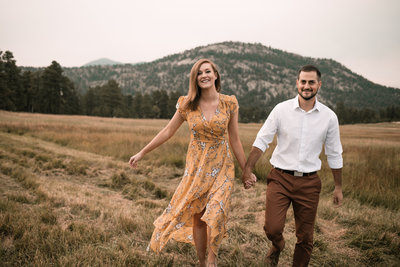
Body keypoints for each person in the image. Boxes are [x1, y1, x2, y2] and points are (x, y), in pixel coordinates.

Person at [129, 58, 256, 267]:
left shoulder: (229, 103)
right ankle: (201, 262)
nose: (204, 75)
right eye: (199, 73)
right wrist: (143, 152)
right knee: (198, 216)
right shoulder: (187, 104)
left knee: (216, 212)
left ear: (215, 75)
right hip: (196, 168)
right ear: (195, 79)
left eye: (207, 71)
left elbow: (234, 139)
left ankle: (212, 261)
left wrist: (246, 171)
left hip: (222, 166)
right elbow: (168, 131)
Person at [241, 65, 343, 267]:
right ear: (297, 83)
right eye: (303, 81)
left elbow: (334, 153)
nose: (307, 86)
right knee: (272, 229)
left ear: (319, 85)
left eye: (311, 82)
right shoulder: (281, 110)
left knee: (305, 238)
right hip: (280, 178)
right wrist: (248, 168)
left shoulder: (329, 117)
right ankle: (278, 246)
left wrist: (338, 187)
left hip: (309, 183)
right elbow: (263, 140)